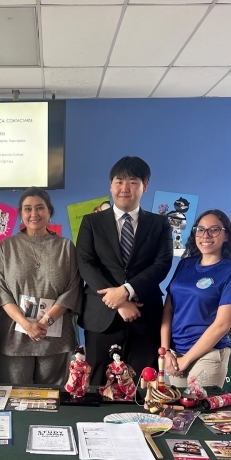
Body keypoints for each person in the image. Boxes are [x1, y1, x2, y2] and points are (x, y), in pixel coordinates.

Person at [76, 156, 173, 385]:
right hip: (101, 317)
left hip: (144, 317)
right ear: (111, 185)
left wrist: (127, 290)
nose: (124, 188)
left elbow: (162, 264)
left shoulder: (160, 224)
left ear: (145, 186)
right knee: (97, 385)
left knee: (142, 386)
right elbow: (85, 262)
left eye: (133, 182)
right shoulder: (91, 222)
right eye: (119, 181)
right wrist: (118, 301)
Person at [0, 187, 82, 385]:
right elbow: (0, 291)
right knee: (15, 394)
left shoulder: (65, 247)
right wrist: (26, 325)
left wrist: (45, 322)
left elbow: (73, 288)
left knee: (54, 396)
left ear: (49, 212)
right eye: (28, 209)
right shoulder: (7, 247)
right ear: (21, 213)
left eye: (40, 208)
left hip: (55, 336)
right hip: (15, 335)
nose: (34, 214)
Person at [161, 209, 231, 388]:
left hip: (208, 354)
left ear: (226, 236)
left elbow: (222, 325)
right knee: (177, 406)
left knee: (200, 406)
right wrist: (165, 351)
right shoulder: (185, 264)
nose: (206, 235)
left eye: (214, 230)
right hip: (175, 352)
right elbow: (168, 309)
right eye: (200, 229)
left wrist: (186, 359)